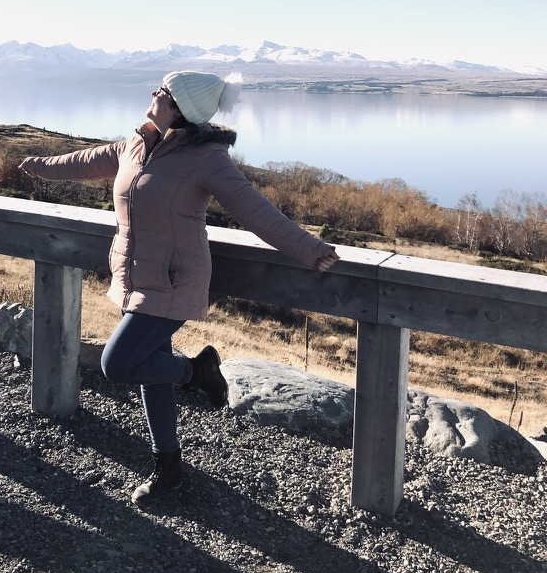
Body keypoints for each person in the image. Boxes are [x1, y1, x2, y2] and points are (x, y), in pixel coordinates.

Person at [19, 70, 339, 508]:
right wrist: (35, 165)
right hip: (134, 278)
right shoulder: (136, 145)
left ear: (180, 107)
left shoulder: (206, 157)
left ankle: (197, 372)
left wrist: (310, 249)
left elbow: (254, 209)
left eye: (163, 91)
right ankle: (168, 471)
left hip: (173, 281)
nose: (153, 94)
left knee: (119, 364)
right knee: (151, 372)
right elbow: (84, 161)